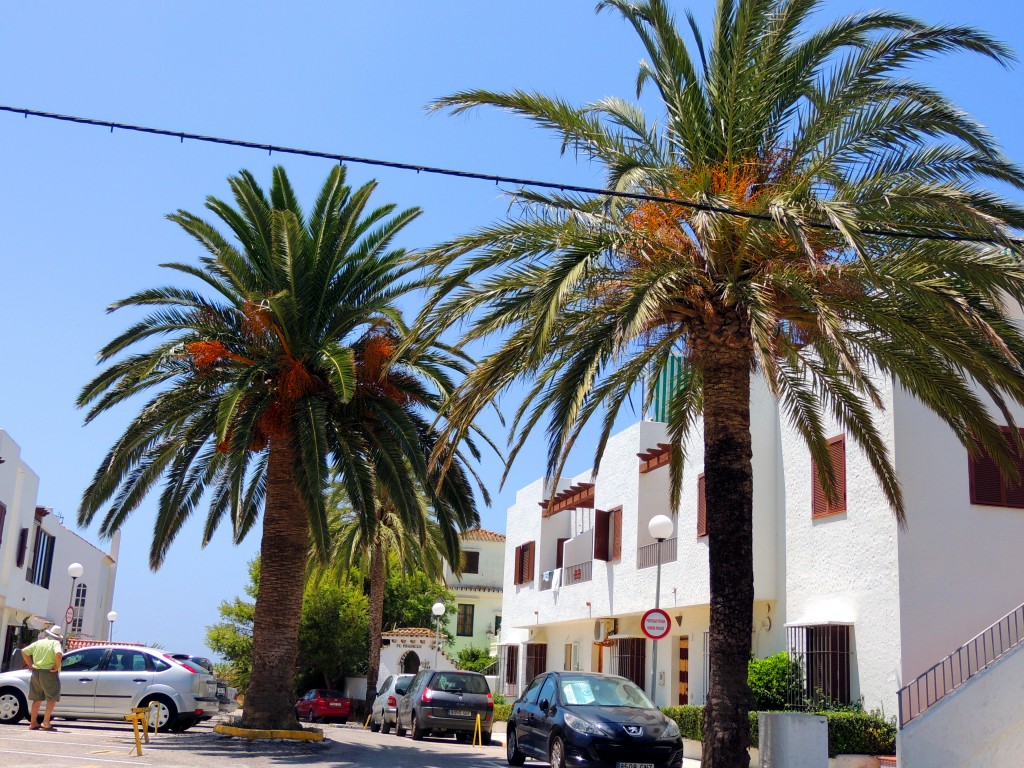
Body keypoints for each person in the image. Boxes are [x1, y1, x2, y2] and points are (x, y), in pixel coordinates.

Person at [20, 625, 63, 730]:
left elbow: (24, 651)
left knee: (37, 698)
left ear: (48, 634)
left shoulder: (39, 642)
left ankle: (33, 723)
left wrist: (30, 664)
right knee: (52, 698)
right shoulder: (55, 643)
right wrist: (56, 666)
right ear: (58, 637)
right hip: (49, 673)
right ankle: (45, 722)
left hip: (36, 672)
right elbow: (58, 653)